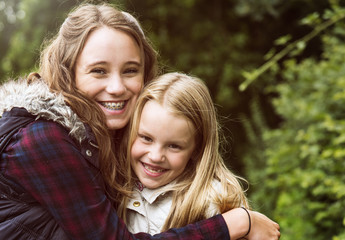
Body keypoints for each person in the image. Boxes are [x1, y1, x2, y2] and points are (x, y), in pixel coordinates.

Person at [0, 2, 280, 240]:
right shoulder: (41, 139)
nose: (117, 87)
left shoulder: (109, 145)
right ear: (68, 74)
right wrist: (237, 223)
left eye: (130, 70)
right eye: (99, 71)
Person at [118, 72, 276, 238]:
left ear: (197, 149)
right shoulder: (114, 185)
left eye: (174, 146)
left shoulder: (213, 201)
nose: (156, 156)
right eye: (146, 138)